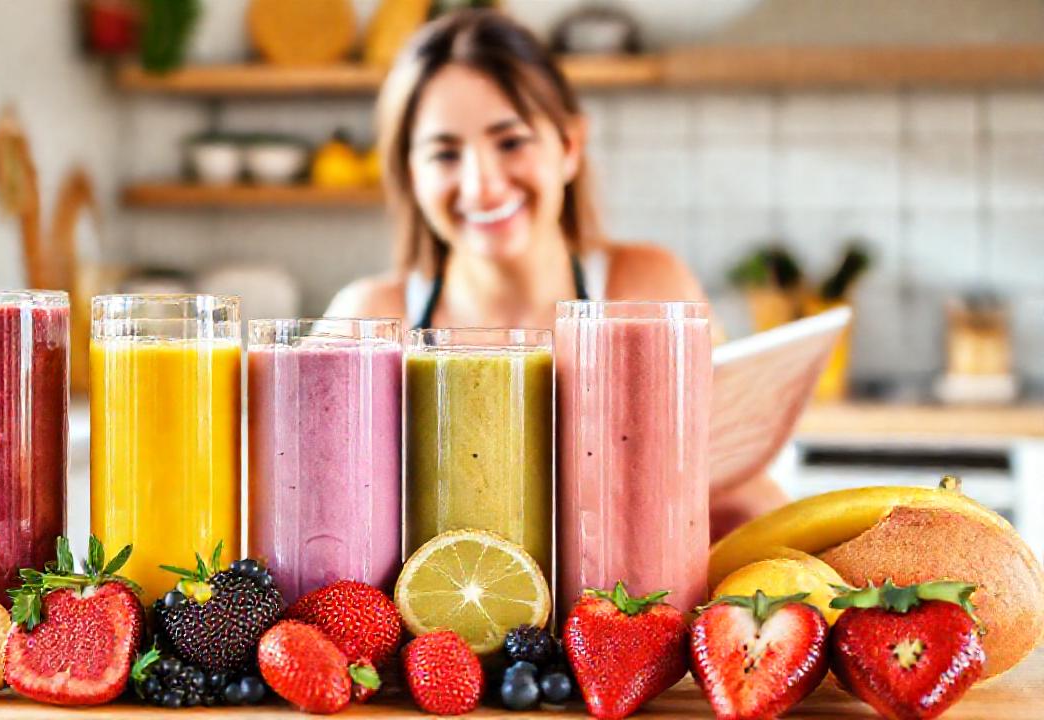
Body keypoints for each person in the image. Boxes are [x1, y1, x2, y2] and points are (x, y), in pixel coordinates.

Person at [327, 9, 786, 538]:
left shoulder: (645, 291)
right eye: (445, 153)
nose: (482, 186)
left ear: (568, 145)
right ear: (411, 173)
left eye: (511, 142)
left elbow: (735, 485)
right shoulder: (369, 318)